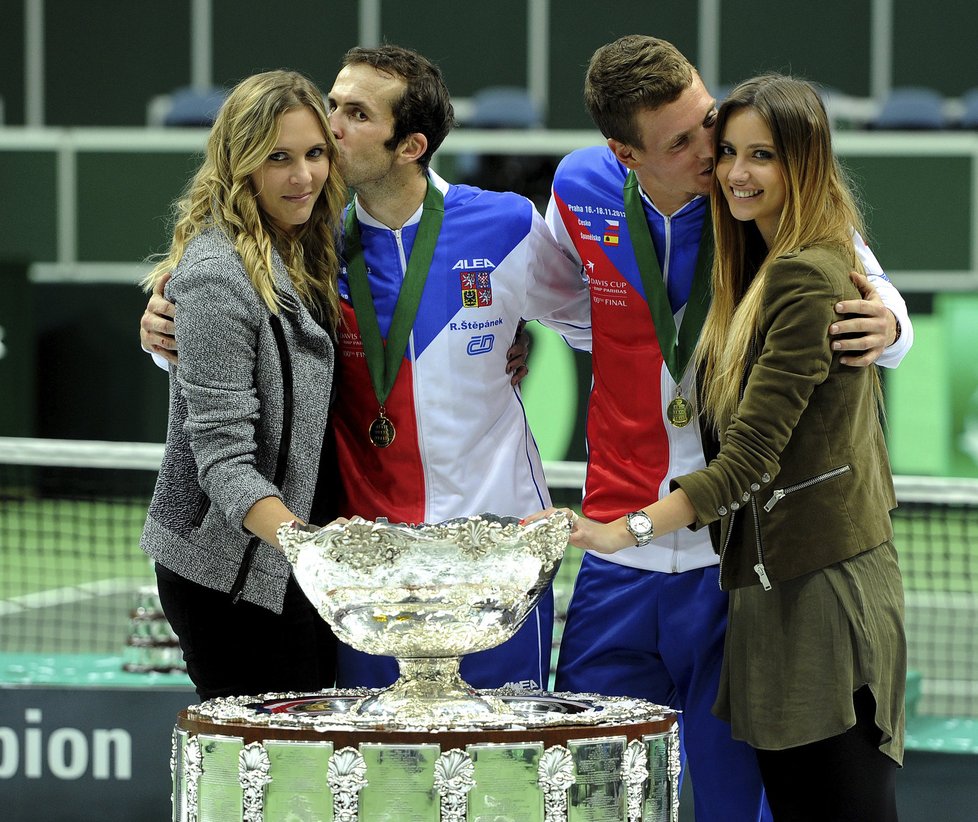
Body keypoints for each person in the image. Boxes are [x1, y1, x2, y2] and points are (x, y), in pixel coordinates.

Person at [140, 45, 592, 692]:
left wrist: (511, 329)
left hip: (498, 558)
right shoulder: (312, 247)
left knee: (502, 772)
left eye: (354, 113)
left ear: (409, 146)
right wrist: (161, 332)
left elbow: (595, 321)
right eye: (332, 106)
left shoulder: (506, 225)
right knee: (382, 781)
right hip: (371, 574)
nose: (330, 128)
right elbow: (240, 339)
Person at [543, 36, 912, 821]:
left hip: (736, 553)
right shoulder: (580, 188)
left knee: (748, 798)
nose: (716, 155)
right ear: (624, 154)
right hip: (633, 552)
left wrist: (890, 326)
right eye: (684, 143)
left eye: (708, 122)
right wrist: (544, 339)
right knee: (592, 795)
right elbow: (535, 291)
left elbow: (863, 285)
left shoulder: (766, 222)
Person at [139, 70, 347, 701]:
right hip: (231, 575)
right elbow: (224, 462)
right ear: (241, 164)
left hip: (296, 566)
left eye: (315, 154)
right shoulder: (214, 275)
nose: (302, 176)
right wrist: (314, 549)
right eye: (278, 158)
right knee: (264, 784)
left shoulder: (313, 246)